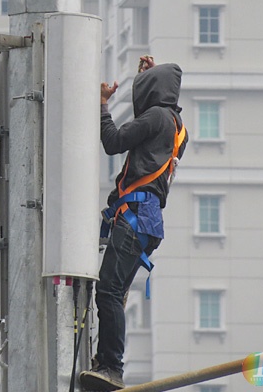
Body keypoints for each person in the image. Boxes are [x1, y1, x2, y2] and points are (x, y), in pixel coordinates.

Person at [79, 56, 188, 391]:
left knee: (108, 290)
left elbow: (114, 141)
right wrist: (147, 78)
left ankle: (111, 366)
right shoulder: (177, 128)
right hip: (146, 221)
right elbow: (148, 131)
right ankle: (108, 361)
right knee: (115, 291)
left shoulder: (156, 117)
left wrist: (101, 104)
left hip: (135, 217)